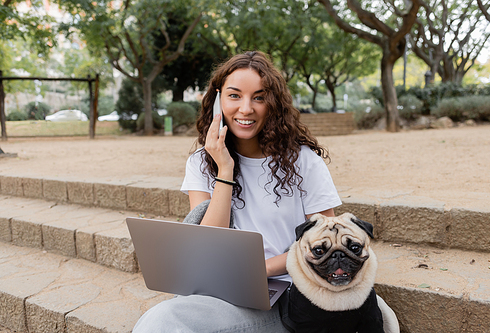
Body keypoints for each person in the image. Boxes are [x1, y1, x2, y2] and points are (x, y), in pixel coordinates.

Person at [133, 51, 342, 332]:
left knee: (163, 322)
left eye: (259, 97)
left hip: (290, 295)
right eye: (234, 96)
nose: (246, 109)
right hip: (226, 292)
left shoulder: (304, 161)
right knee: (160, 319)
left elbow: (326, 243)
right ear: (218, 100)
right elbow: (206, 245)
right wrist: (225, 170)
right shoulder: (201, 163)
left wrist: (262, 269)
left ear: (274, 104)